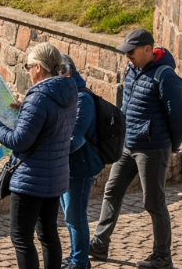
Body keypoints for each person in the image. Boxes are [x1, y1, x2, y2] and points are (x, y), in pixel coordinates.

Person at [89, 29, 182, 269]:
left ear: (148, 49)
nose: (128, 57)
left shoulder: (165, 75)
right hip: (129, 144)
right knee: (111, 190)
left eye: (131, 52)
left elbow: (180, 117)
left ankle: (162, 257)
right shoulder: (132, 70)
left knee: (154, 202)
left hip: (153, 148)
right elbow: (126, 105)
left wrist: (173, 146)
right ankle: (99, 245)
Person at [0, 43, 77, 269]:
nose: (27, 71)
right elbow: (51, 122)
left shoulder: (39, 97)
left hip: (31, 179)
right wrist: (26, 107)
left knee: (21, 237)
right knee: (48, 234)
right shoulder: (68, 90)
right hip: (56, 175)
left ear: (38, 68)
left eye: (28, 66)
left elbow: (19, 141)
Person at [58, 54, 104, 269]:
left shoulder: (82, 99)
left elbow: (75, 138)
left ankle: (80, 261)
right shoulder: (65, 95)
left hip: (81, 166)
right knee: (70, 217)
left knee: (76, 217)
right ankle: (75, 257)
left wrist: (52, 149)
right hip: (66, 166)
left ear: (67, 72)